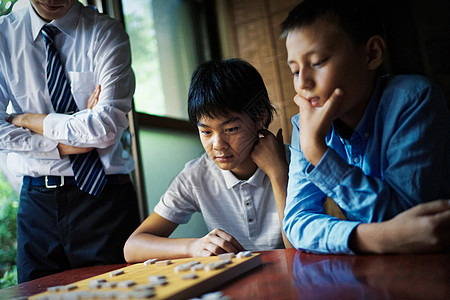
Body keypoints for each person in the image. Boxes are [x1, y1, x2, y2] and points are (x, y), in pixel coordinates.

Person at [281, 0, 450, 254]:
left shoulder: (414, 101)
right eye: (294, 70)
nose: (303, 82)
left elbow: (408, 220)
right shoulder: (303, 124)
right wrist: (373, 238)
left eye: (317, 62)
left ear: (372, 54)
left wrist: (317, 152)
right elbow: (297, 222)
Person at [0, 0, 140, 282]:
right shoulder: (3, 37)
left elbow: (104, 128)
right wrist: (62, 145)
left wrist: (26, 119)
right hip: (37, 203)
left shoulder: (106, 34)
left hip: (105, 199)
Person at [124, 58, 291, 263]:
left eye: (230, 129)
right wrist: (193, 246)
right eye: (206, 131)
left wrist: (278, 174)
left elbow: (296, 248)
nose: (218, 144)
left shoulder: (293, 162)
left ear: (260, 117)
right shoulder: (197, 175)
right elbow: (133, 247)